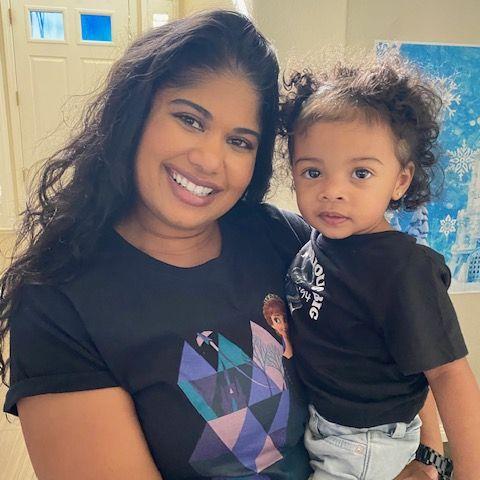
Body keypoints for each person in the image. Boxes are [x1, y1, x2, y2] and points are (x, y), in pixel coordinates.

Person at [0, 9, 442, 480]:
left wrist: (429, 456)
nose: (210, 160)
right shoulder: (57, 303)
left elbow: (391, 335)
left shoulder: (288, 241)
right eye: (190, 120)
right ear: (134, 114)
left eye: (240, 141)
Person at [281, 54, 480, 479]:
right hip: (325, 424)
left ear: (400, 180)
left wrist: (469, 471)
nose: (332, 191)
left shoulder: (403, 270)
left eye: (360, 173)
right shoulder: (323, 239)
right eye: (313, 172)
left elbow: (447, 372)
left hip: (364, 440)